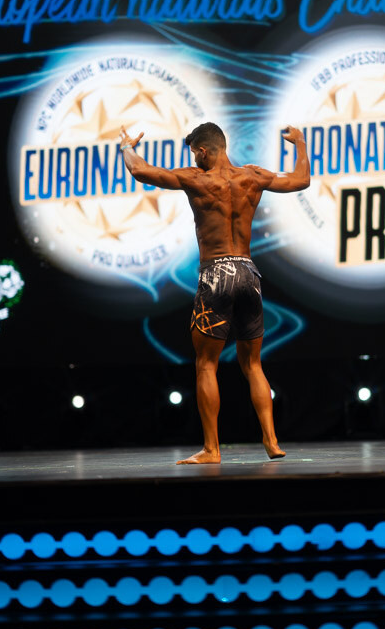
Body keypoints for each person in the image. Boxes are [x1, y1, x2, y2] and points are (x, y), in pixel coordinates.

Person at [119, 121, 310, 464]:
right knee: (252, 363)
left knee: (206, 364)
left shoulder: (197, 178)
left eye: (195, 153)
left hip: (216, 273)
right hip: (249, 273)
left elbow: (141, 171)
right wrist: (300, 143)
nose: (194, 158)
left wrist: (126, 147)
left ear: (203, 151)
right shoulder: (253, 176)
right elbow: (301, 180)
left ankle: (211, 449)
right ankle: (271, 441)